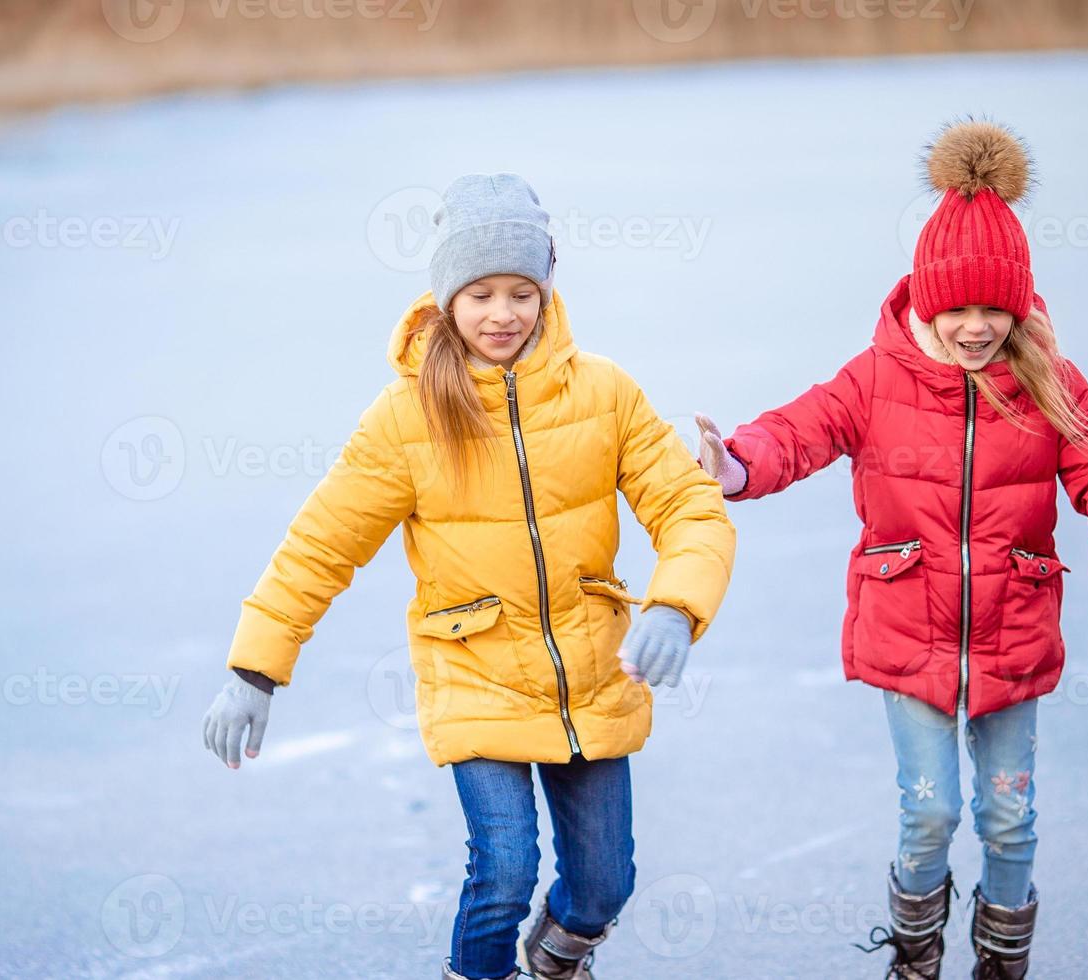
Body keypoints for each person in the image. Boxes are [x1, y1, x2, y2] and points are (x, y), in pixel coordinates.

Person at [205, 173, 736, 979]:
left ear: (546, 291)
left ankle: (559, 959)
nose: (502, 314)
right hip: (473, 671)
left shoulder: (605, 393)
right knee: (504, 874)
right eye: (481, 292)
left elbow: (690, 507)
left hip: (590, 673)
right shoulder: (406, 417)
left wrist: (675, 606)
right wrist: (254, 666)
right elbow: (320, 546)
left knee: (602, 886)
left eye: (521, 291)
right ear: (447, 298)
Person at [697, 121, 1088, 979]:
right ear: (925, 299)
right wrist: (736, 466)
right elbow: (797, 432)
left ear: (1019, 305)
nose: (977, 326)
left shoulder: (1050, 384)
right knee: (930, 814)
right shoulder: (876, 377)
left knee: (1009, 818)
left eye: (996, 308)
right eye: (958, 307)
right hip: (907, 631)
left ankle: (1001, 962)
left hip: (1012, 631)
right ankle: (915, 953)